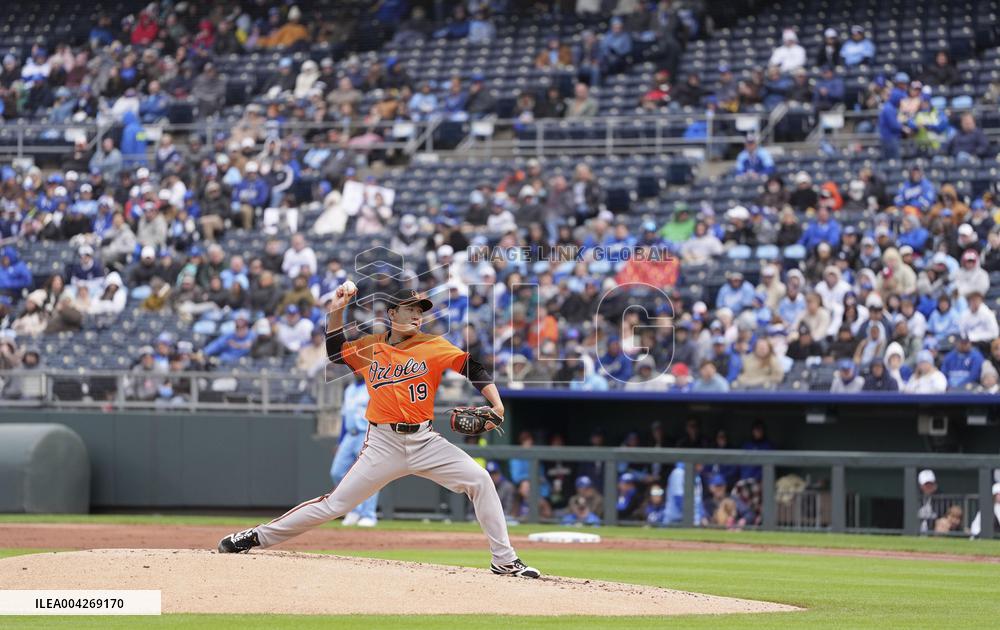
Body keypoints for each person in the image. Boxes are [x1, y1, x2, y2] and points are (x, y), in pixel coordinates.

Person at [218, 286, 540, 579]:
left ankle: (504, 560)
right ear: (391, 313)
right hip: (382, 444)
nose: (417, 314)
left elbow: (474, 368)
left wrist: (496, 406)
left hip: (425, 441)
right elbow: (334, 351)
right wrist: (337, 309)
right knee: (335, 505)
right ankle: (255, 536)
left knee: (480, 480)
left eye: (420, 309)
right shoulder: (370, 348)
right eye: (409, 308)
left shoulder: (433, 345)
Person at [330, 373, 378, 527]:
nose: (355, 371)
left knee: (369, 475)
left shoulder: (372, 386)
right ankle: (354, 510)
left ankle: (368, 514)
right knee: (337, 472)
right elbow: (345, 417)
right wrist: (340, 440)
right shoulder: (349, 389)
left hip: (366, 434)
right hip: (349, 436)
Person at [917, 469, 938, 534]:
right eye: (926, 484)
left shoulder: (941, 499)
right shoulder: (916, 499)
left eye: (931, 484)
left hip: (933, 533)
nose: (929, 486)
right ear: (921, 486)